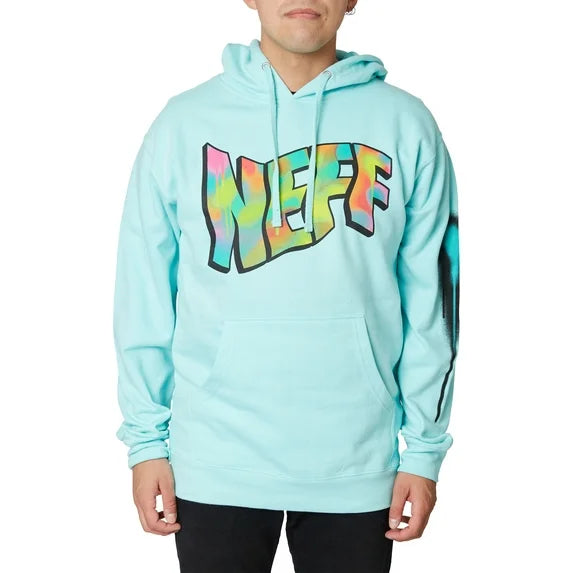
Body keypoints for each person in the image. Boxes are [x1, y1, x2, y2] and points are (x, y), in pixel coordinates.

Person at [113, 1, 460, 571]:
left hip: (356, 464)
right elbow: (144, 295)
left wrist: (423, 451)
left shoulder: (406, 124)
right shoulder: (183, 124)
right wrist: (146, 442)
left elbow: (434, 302)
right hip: (215, 460)